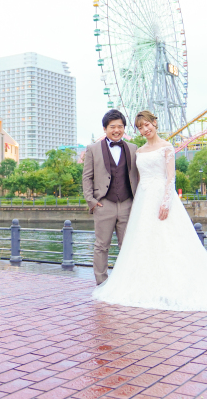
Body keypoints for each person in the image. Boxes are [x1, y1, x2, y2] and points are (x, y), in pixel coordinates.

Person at [92, 110, 207, 311]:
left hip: (161, 199)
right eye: (140, 127)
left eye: (147, 124)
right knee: (145, 244)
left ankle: (173, 284)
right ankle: (147, 284)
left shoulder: (166, 147)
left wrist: (166, 202)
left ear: (155, 123)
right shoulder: (138, 151)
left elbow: (170, 178)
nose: (145, 129)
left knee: (169, 243)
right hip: (142, 200)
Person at [82, 109, 140, 285]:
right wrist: (91, 201)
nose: (117, 130)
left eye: (120, 126)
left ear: (124, 128)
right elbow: (87, 177)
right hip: (103, 203)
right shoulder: (92, 149)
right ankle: (102, 282)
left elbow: (138, 175)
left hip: (127, 204)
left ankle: (127, 282)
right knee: (101, 246)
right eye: (112, 127)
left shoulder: (133, 148)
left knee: (128, 246)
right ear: (105, 129)